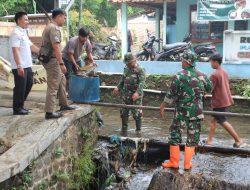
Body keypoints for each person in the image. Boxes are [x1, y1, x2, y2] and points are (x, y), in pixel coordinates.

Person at [160, 51, 212, 170]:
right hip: (196, 112)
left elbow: (171, 94)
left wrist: (162, 106)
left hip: (181, 113)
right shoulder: (202, 75)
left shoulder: (179, 76)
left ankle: (174, 162)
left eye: (182, 60)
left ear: (187, 62)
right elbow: (209, 88)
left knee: (175, 135)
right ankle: (187, 164)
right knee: (192, 138)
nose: (181, 63)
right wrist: (202, 92)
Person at [39, 8, 75, 119]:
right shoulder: (54, 28)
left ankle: (63, 104)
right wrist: (61, 64)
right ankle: (49, 112)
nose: (64, 20)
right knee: (53, 85)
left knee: (62, 80)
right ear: (58, 16)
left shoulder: (50, 27)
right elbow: (56, 47)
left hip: (51, 59)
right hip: (52, 60)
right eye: (64, 18)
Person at [205, 53, 244, 148]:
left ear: (215, 62)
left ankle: (238, 140)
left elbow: (209, 88)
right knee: (213, 120)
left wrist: (204, 92)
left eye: (211, 62)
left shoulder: (214, 74)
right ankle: (209, 141)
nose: (210, 64)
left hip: (219, 101)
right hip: (225, 99)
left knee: (222, 120)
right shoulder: (223, 71)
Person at [9, 12, 40, 115]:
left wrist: (43, 52)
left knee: (29, 83)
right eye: (25, 19)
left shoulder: (23, 32)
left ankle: (20, 105)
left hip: (27, 65)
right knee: (20, 87)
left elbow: (32, 47)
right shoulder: (15, 33)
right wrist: (19, 66)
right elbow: (15, 50)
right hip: (20, 66)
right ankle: (17, 108)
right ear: (18, 20)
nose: (28, 21)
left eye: (27, 19)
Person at [112, 53, 145, 134]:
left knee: (136, 114)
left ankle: (138, 130)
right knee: (124, 113)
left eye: (130, 63)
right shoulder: (126, 68)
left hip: (135, 96)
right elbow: (122, 79)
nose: (128, 65)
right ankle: (124, 131)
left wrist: (137, 92)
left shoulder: (140, 69)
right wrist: (118, 87)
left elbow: (142, 82)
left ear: (134, 60)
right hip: (125, 95)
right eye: (127, 63)